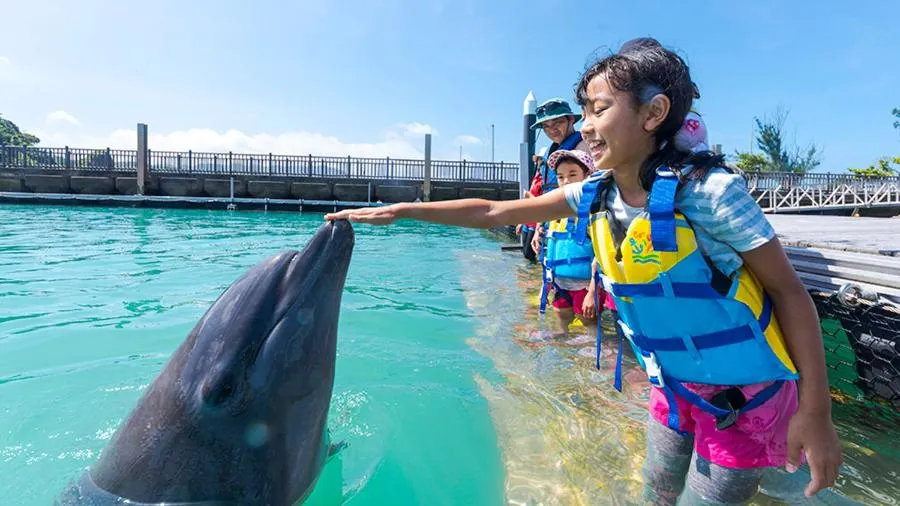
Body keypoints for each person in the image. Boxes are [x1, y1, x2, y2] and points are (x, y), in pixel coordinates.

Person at [325, 38, 842, 504]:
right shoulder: (595, 194)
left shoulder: (710, 193)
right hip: (674, 389)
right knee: (656, 493)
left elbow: (790, 294)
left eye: (599, 110)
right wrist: (401, 211)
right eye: (584, 112)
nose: (587, 126)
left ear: (654, 112)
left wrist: (815, 412)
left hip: (746, 400)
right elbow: (492, 212)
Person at [535, 149, 599, 332]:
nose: (567, 181)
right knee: (560, 316)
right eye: (561, 177)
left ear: (587, 175)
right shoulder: (554, 215)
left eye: (573, 174)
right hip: (559, 282)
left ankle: (591, 359)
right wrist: (545, 286)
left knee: (588, 322)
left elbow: (601, 258)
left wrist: (593, 293)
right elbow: (549, 253)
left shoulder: (592, 213)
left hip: (585, 284)